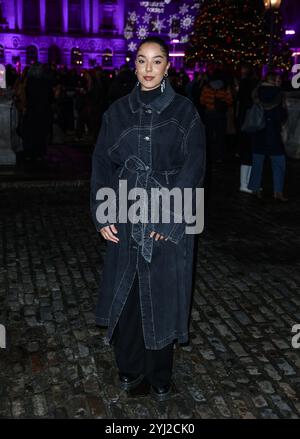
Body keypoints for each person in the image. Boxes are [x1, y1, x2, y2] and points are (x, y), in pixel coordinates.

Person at [90, 36, 206, 401]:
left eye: (157, 61)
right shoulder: (117, 112)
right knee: (126, 293)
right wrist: (102, 212)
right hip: (125, 209)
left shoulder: (185, 112)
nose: (149, 69)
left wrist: (169, 220)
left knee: (162, 295)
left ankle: (159, 374)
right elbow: (101, 164)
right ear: (134, 65)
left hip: (166, 211)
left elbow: (194, 168)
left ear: (168, 66)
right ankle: (129, 367)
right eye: (142, 61)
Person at [248, 72, 288, 202]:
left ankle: (255, 188)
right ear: (274, 80)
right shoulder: (279, 94)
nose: (280, 82)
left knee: (257, 162)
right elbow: (282, 116)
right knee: (279, 163)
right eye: (278, 79)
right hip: (273, 133)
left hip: (259, 132)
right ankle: (277, 192)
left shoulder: (256, 92)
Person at [236, 64, 259, 193]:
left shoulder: (245, 83)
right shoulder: (253, 83)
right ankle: (245, 183)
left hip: (245, 118)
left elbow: (240, 100)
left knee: (248, 151)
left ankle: (247, 182)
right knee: (249, 152)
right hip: (250, 119)